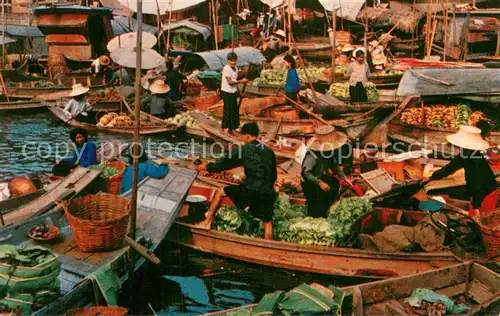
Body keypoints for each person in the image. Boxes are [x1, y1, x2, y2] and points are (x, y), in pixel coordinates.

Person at [197, 123, 277, 240]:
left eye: (242, 136)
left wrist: (207, 167)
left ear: (247, 136)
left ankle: (206, 223)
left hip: (252, 189)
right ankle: (269, 247)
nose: (241, 139)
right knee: (267, 222)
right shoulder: (268, 150)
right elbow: (272, 174)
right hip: (268, 191)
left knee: (220, 192)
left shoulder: (244, 149)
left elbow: (224, 164)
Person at [425, 126, 497, 219]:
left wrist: (476, 204)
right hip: (480, 190)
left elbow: (477, 181)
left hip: (486, 192)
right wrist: (432, 177)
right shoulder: (466, 154)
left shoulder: (474, 159)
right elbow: (449, 168)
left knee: (482, 220)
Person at [301, 125, 351, 218]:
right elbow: (306, 173)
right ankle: (313, 220)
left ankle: (324, 215)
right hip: (309, 181)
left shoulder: (328, 152)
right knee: (315, 206)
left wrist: (344, 178)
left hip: (320, 177)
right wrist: (320, 183)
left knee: (327, 201)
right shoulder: (312, 155)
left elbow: (334, 166)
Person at [221, 52, 248, 134]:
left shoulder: (236, 68)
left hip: (233, 91)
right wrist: (241, 81)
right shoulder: (226, 68)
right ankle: (225, 127)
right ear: (228, 61)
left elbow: (235, 82)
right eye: (231, 61)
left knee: (234, 110)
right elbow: (230, 82)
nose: (233, 62)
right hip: (226, 92)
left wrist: (239, 93)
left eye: (235, 61)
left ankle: (234, 126)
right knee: (228, 110)